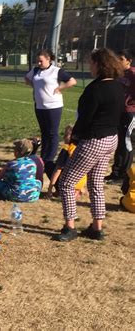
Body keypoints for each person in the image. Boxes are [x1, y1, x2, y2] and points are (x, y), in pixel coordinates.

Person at [56, 48, 125, 242]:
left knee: (67, 183)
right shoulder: (118, 87)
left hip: (94, 141)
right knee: (96, 183)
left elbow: (85, 119)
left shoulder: (95, 89)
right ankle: (97, 227)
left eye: (92, 63)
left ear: (100, 65)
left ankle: (70, 227)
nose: (90, 66)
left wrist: (75, 138)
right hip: (111, 139)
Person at [25, 49, 77, 177]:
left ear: (48, 60)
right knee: (44, 132)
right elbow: (26, 78)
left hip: (53, 106)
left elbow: (72, 81)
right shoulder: (36, 70)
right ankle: (44, 156)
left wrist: (60, 88)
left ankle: (49, 158)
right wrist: (35, 86)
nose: (39, 62)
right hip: (39, 106)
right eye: (37, 60)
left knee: (52, 132)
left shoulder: (56, 71)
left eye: (41, 60)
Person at [106, 50, 135, 182]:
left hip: (130, 112)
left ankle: (124, 174)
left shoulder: (133, 74)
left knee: (127, 143)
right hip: (119, 111)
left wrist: (130, 103)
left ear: (129, 61)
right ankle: (116, 172)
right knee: (119, 142)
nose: (119, 61)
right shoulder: (119, 74)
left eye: (121, 59)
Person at [47, 125, 86, 200]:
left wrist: (49, 189)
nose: (64, 137)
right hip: (80, 182)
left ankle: (60, 191)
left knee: (49, 165)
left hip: (68, 183)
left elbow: (58, 170)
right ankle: (78, 190)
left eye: (65, 135)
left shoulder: (66, 149)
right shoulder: (82, 148)